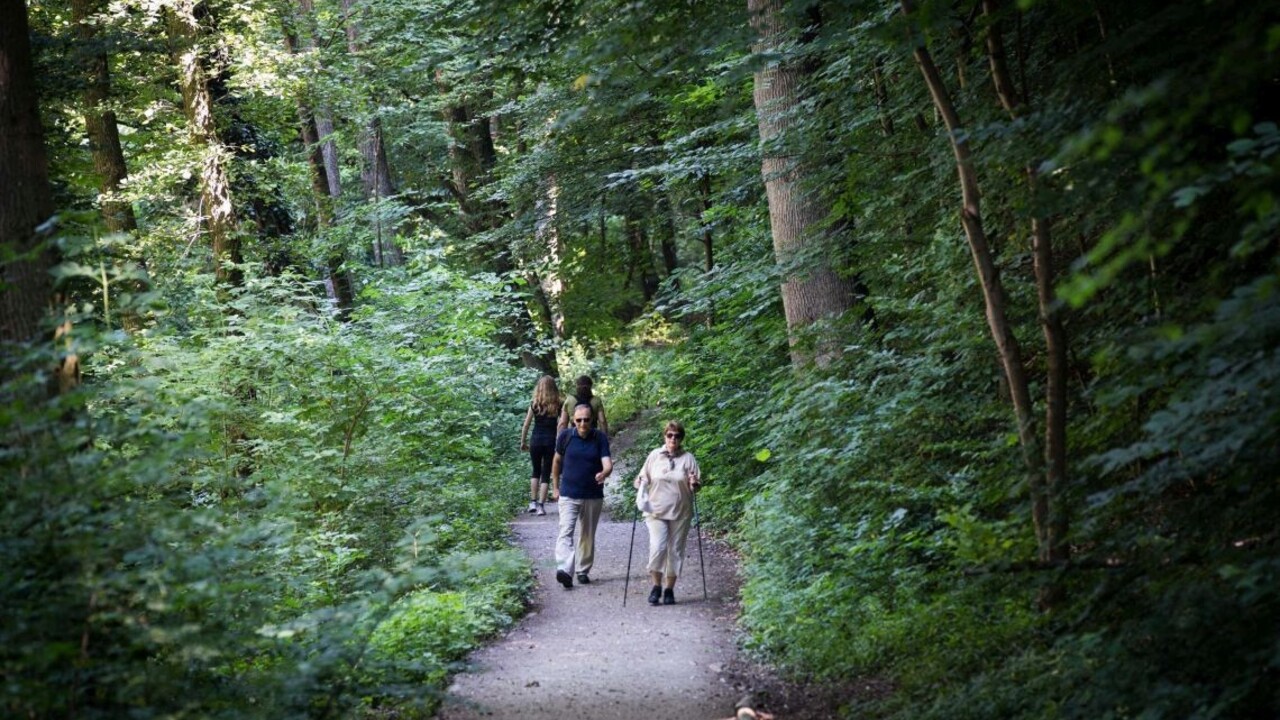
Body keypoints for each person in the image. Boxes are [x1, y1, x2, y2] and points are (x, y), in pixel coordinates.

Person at [633, 420, 701, 605]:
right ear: (665, 436)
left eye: (677, 436)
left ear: (681, 438)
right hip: (656, 511)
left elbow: (696, 485)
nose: (673, 439)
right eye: (670, 435)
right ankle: (656, 586)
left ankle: (669, 589)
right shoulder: (655, 456)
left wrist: (694, 483)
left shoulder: (688, 459)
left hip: (681, 512)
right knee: (658, 547)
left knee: (675, 551)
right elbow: (641, 478)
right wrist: (639, 482)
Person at [550, 402, 612, 588]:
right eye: (578, 420)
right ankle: (564, 570)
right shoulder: (565, 437)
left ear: (591, 419)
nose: (582, 423)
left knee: (587, 534)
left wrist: (604, 473)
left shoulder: (599, 438)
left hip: (593, 494)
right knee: (565, 531)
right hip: (569, 493)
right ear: (573, 420)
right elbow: (556, 462)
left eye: (586, 420)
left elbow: (607, 463)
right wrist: (555, 487)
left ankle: (582, 570)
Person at [519, 375, 561, 516]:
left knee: (535, 470)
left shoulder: (534, 404)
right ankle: (541, 507)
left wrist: (523, 442)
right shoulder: (557, 404)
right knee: (546, 472)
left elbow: (526, 424)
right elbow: (561, 425)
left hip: (535, 440)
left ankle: (532, 502)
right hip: (550, 441)